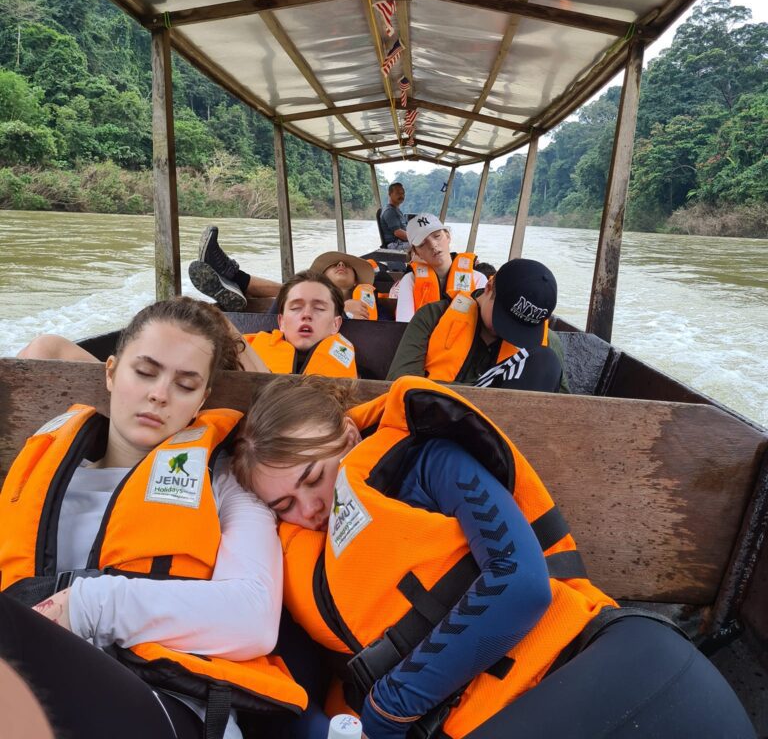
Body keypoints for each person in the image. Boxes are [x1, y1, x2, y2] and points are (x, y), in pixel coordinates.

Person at [234, 375, 756, 739]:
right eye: (285, 505)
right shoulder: (297, 562)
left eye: (313, 477)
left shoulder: (424, 461)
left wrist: (390, 707)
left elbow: (521, 581)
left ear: (349, 435)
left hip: (614, 670)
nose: (312, 508)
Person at [0, 296, 306, 739]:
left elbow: (253, 617)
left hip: (167, 705)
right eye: (144, 372)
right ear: (110, 373)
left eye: (185, 385)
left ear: (203, 398)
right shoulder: (37, 471)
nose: (159, 394)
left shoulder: (225, 483)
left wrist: (85, 605)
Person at [388, 258, 569, 392]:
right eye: (504, 320)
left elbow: (565, 403)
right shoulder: (432, 316)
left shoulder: (547, 342)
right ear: (489, 287)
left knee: (546, 360)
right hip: (435, 421)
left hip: (507, 433)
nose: (509, 333)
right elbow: (399, 383)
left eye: (521, 329)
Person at [190, 227, 378, 319]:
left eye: (348, 266)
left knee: (293, 291)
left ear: (356, 281)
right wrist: (342, 311)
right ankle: (233, 276)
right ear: (322, 279)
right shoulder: (290, 304)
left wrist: (351, 316)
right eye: (334, 264)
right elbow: (272, 325)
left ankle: (235, 278)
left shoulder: (371, 305)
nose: (340, 264)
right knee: (294, 291)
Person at [242, 271, 359, 378]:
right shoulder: (245, 351)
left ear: (335, 324)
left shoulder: (361, 375)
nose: (306, 314)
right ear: (281, 322)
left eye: (319, 308)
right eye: (296, 308)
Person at [390, 213, 487, 321]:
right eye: (422, 244)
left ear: (448, 236)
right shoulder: (410, 281)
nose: (433, 245)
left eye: (437, 236)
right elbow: (404, 324)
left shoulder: (478, 279)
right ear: (416, 253)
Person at [378, 182, 409, 250]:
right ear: (390, 194)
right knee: (423, 245)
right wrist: (415, 238)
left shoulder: (397, 210)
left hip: (402, 242)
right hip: (395, 244)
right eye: (398, 193)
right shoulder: (389, 211)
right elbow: (398, 233)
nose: (401, 195)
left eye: (403, 193)